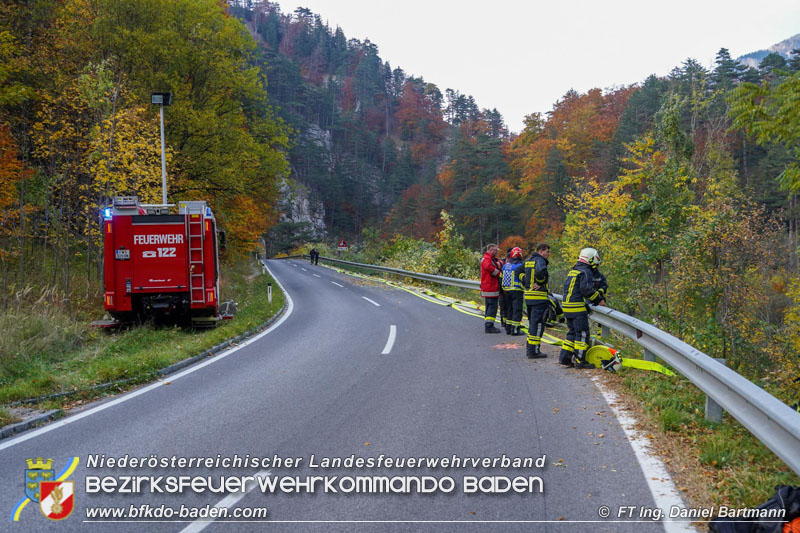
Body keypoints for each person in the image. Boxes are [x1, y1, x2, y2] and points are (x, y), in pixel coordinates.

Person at [558, 247, 608, 369]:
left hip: (567, 307)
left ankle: (565, 358)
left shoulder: (574, 271)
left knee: (572, 333)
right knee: (583, 334)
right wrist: (599, 300)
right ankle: (581, 360)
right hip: (577, 308)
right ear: (590, 259)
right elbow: (586, 290)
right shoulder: (586, 272)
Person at [524, 243, 551, 358]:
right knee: (538, 324)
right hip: (539, 298)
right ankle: (534, 351)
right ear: (540, 251)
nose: (549, 254)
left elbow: (518, 272)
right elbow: (540, 272)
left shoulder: (529, 260)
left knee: (532, 324)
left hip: (529, 297)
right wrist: (540, 282)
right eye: (547, 252)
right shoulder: (540, 261)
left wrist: (526, 283)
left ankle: (530, 349)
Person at [501, 247, 526, 335]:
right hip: (517, 290)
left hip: (506, 291)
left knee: (509, 310)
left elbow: (501, 278)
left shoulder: (505, 266)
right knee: (517, 310)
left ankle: (508, 329)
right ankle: (515, 329)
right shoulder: (520, 266)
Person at [480, 244, 503, 333]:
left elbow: (496, 264)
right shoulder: (486, 259)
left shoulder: (491, 259)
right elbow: (489, 268)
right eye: (495, 250)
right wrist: (499, 274)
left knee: (490, 306)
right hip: (490, 287)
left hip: (491, 287)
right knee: (492, 307)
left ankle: (489, 325)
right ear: (490, 250)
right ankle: (489, 326)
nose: (496, 252)